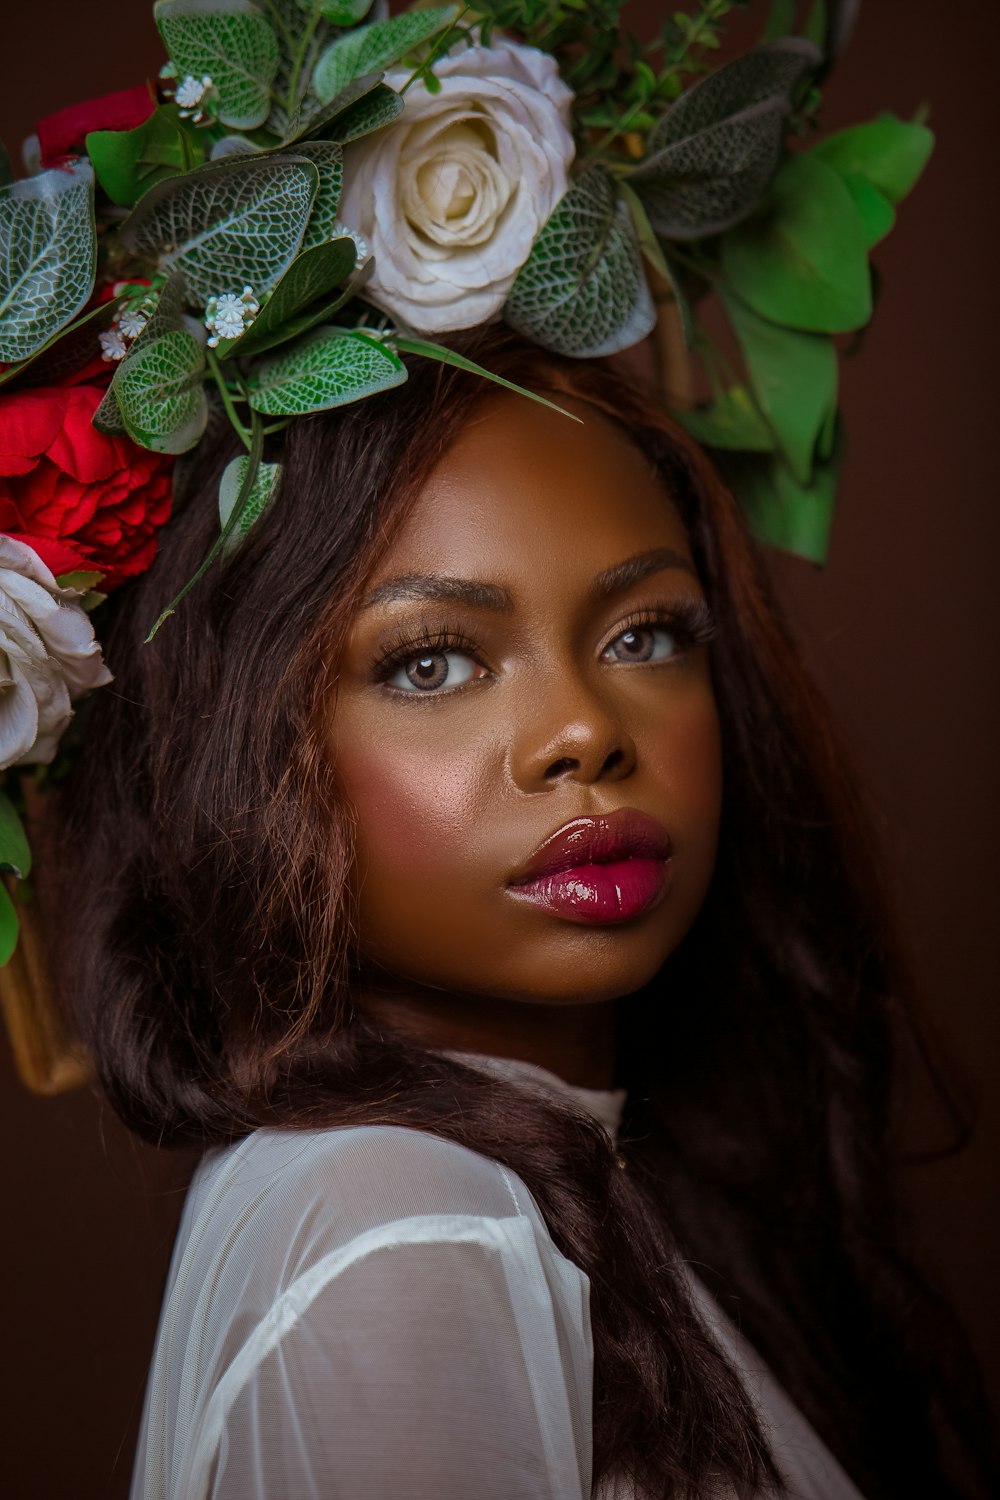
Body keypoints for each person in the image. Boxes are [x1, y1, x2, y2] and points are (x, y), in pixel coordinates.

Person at [48, 330, 996, 1500]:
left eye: (642, 634)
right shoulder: (407, 1220)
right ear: (228, 745)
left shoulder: (531, 1187)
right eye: (433, 662)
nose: (584, 731)